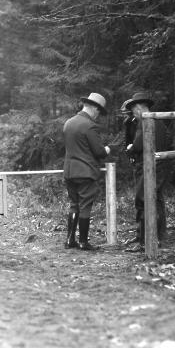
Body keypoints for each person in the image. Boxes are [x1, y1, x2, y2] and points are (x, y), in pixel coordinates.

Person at [63, 92, 113, 250]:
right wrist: (107, 149)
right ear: (93, 108)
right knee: (85, 206)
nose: (98, 115)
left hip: (69, 172)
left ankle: (70, 240)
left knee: (74, 204)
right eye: (98, 111)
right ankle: (83, 242)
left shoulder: (68, 123)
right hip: (85, 172)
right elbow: (98, 152)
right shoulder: (89, 125)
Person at [123, 92, 170, 252]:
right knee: (156, 201)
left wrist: (130, 148)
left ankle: (144, 240)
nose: (133, 113)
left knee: (143, 200)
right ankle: (157, 237)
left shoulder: (146, 121)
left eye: (134, 109)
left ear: (139, 107)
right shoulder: (159, 122)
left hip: (149, 166)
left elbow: (137, 144)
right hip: (159, 165)